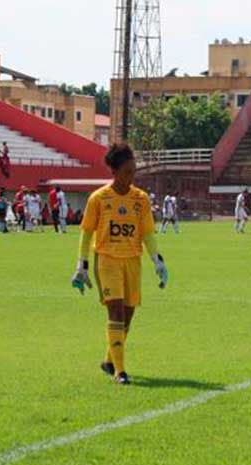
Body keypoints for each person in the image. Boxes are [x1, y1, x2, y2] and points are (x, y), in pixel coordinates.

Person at [70, 143, 169, 385]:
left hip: (132, 261)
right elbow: (86, 232)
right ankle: (120, 371)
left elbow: (147, 233)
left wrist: (158, 261)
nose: (131, 177)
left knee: (127, 315)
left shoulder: (140, 199)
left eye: (133, 171)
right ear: (114, 172)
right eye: (126, 172)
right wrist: (81, 265)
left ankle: (108, 360)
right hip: (107, 259)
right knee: (114, 310)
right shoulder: (99, 199)